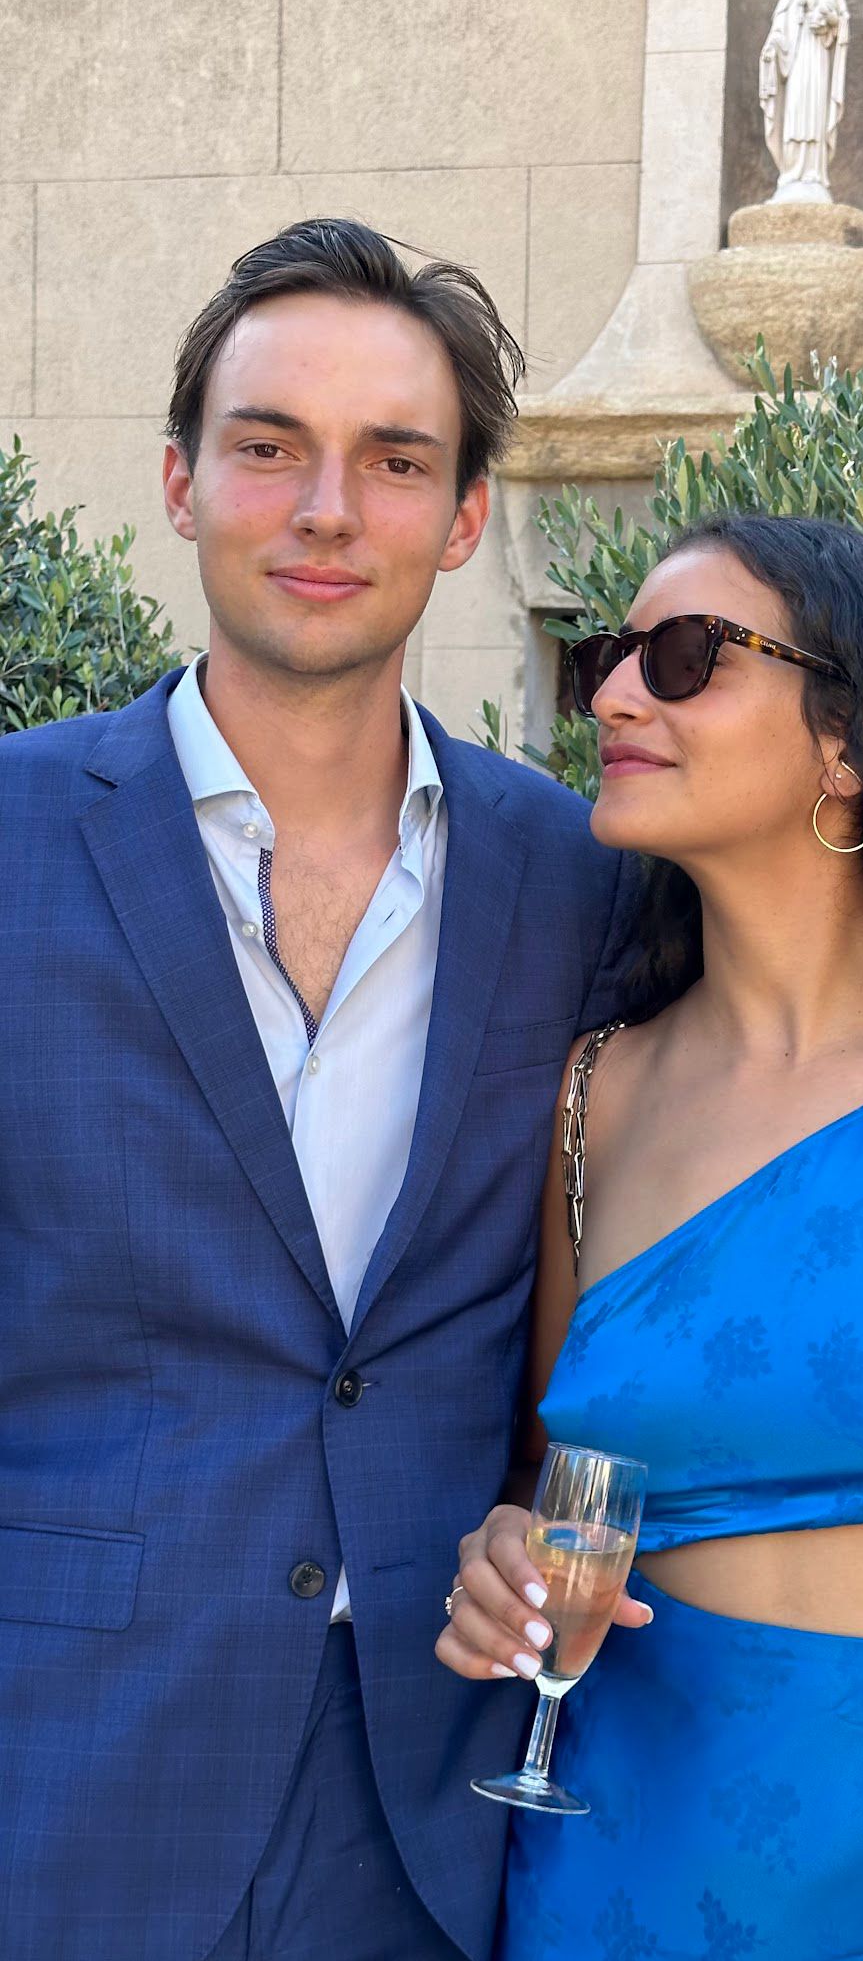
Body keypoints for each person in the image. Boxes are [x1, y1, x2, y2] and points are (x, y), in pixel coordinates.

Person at [0, 218, 645, 1961]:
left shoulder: (584, 880)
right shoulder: (8, 841)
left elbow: (828, 1029)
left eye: (394, 460)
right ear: (180, 481)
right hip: (60, 1777)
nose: (327, 509)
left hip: (429, 1805)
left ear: (464, 521)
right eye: (269, 446)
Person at [437, 513, 863, 1958]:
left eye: (687, 658)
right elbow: (545, 1486)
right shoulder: (588, 1098)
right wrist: (502, 1552)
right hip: (630, 1871)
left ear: (851, 742)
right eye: (617, 656)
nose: (615, 691)